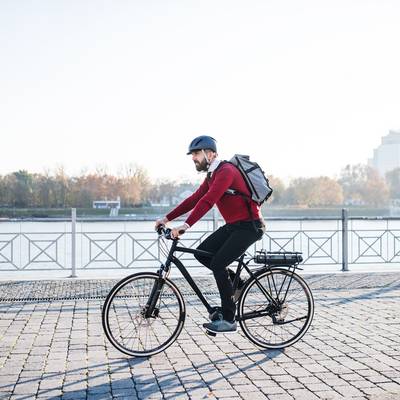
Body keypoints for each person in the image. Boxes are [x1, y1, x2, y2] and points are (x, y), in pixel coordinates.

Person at [155, 135, 265, 333]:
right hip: (234, 226)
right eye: (192, 155)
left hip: (250, 227)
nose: (193, 158)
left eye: (196, 153)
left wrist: (185, 226)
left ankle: (229, 319)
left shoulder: (226, 171)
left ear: (210, 153)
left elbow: (209, 201)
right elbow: (195, 199)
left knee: (217, 264)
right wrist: (166, 218)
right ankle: (237, 284)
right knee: (201, 253)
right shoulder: (212, 175)